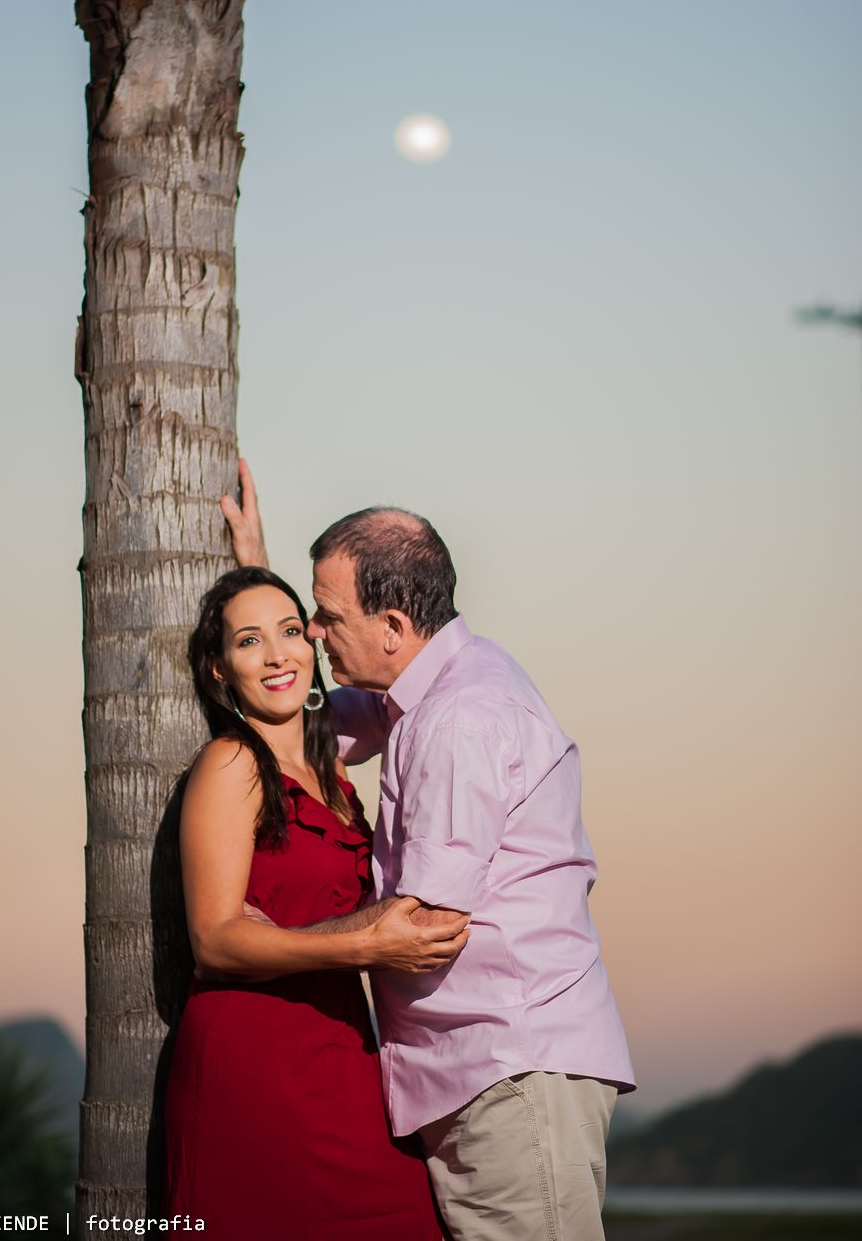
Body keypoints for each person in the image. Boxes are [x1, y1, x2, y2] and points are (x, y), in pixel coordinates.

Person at [222, 463, 636, 1241]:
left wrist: (270, 940)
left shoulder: (457, 718)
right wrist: (256, 580)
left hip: (509, 1070)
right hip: (489, 1068)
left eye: (323, 616)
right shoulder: (431, 689)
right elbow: (314, 712)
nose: (314, 632)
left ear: (391, 626)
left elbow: (424, 924)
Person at [163, 564, 464, 1238]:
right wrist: (365, 944)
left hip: (344, 1051)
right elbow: (214, 941)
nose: (277, 655)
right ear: (218, 669)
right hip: (256, 1060)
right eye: (249, 641)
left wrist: (253, 558)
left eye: (291, 631)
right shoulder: (231, 765)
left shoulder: (333, 775)